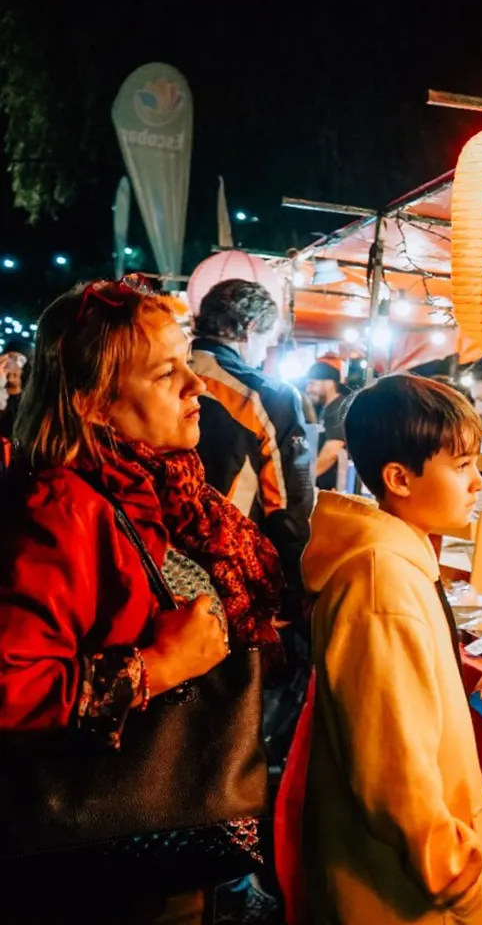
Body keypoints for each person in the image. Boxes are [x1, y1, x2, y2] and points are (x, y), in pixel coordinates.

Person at [0, 278, 282, 923]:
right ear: (97, 405)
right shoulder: (64, 504)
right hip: (104, 854)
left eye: (188, 362)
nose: (198, 384)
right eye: (166, 374)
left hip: (162, 824)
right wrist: (159, 666)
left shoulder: (153, 486)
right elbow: (11, 685)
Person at [300, 374, 482, 925]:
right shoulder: (381, 583)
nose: (477, 483)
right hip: (401, 895)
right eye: (461, 467)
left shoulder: (395, 566)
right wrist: (459, 882)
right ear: (398, 479)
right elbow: (394, 772)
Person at [191, 279, 314, 592]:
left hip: (151, 559)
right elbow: (287, 504)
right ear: (250, 327)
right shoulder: (270, 395)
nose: (262, 356)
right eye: (266, 342)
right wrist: (294, 587)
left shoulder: (159, 374)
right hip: (229, 569)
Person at [305, 361, 349, 491]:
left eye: (312, 383)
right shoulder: (324, 408)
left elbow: (333, 449)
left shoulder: (339, 408)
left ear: (329, 383)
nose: (308, 389)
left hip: (334, 489)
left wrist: (305, 480)